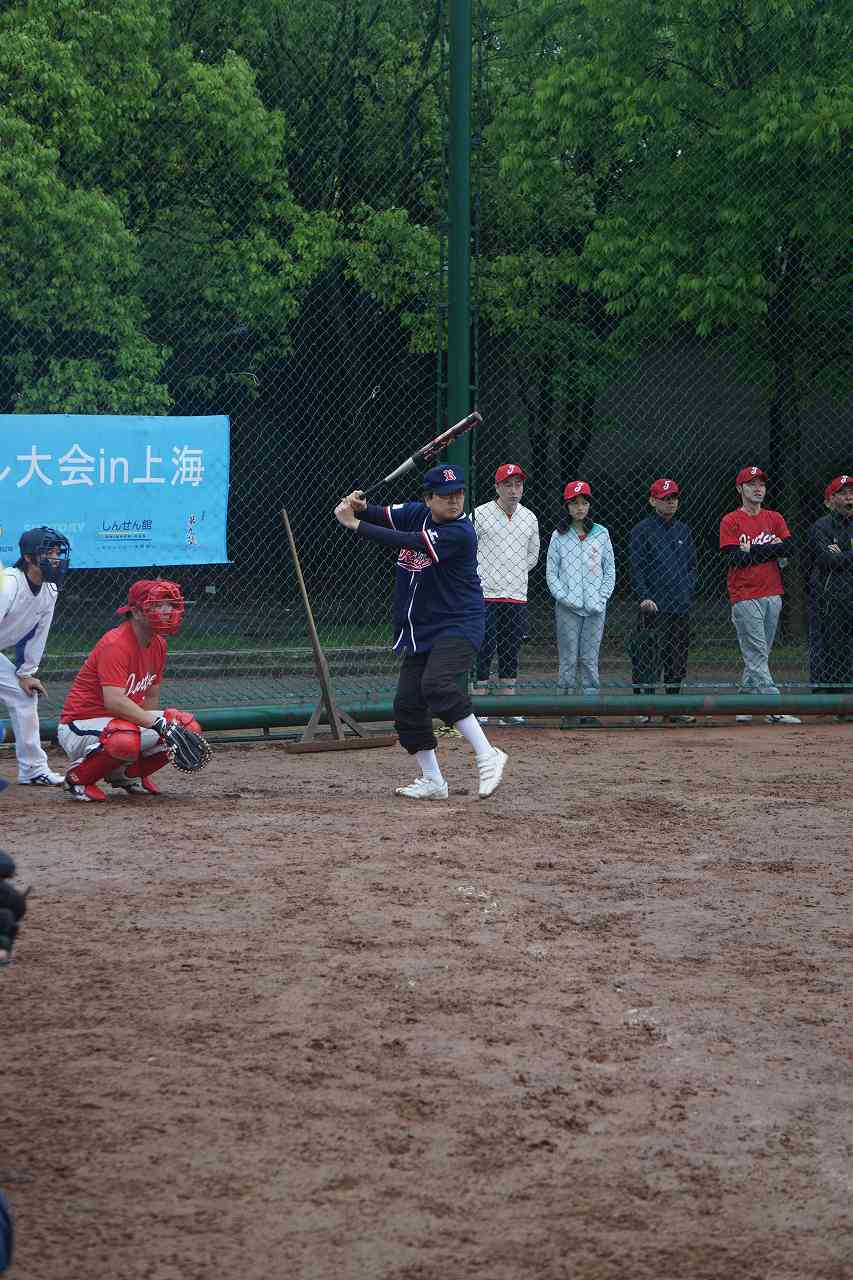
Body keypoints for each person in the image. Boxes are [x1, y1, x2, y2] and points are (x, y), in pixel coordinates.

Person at [334, 464, 508, 799]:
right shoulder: (417, 513)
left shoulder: (461, 531)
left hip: (459, 623)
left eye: (458, 493)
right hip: (423, 628)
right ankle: (433, 781)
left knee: (437, 685)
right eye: (445, 495)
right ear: (428, 499)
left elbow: (408, 541)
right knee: (407, 705)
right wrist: (359, 507)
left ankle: (488, 754)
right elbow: (382, 515)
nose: (454, 500)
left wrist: (355, 524)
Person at [57, 579, 195, 801]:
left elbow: (149, 698)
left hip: (118, 724)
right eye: (159, 605)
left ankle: (128, 774)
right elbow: (114, 702)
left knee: (185, 726)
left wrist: (157, 730)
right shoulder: (116, 643)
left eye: (170, 604)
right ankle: (78, 778)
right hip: (80, 724)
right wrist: (157, 725)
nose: (168, 611)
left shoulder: (159, 643)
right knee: (125, 737)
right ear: (137, 612)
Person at [719, 466, 800, 724]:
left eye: (761, 484)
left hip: (773, 592)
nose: (757, 489)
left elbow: (790, 548)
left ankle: (744, 701)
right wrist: (771, 549)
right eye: (751, 484)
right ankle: (773, 706)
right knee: (756, 652)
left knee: (760, 654)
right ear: (739, 488)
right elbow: (733, 558)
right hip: (744, 595)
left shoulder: (774, 518)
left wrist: (751, 551)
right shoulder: (730, 520)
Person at [0, 527, 70, 786]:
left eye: (58, 552)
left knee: (24, 695)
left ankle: (33, 770)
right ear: (29, 558)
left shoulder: (50, 589)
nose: (56, 558)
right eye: (49, 553)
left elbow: (37, 634)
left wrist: (26, 673)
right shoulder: (8, 584)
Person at [472, 463, 540, 724]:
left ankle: (507, 707)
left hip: (516, 595)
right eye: (508, 485)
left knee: (510, 650)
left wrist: (514, 573)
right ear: (497, 487)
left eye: (518, 485)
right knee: (483, 648)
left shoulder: (529, 517)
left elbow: (532, 555)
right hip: (484, 594)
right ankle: (479, 707)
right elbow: (467, 548)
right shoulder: (480, 514)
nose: (514, 490)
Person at [546, 480, 615, 726]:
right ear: (566, 506)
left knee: (589, 659)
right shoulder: (559, 535)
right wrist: (564, 597)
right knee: (568, 659)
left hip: (595, 607)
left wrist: (601, 597)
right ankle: (565, 709)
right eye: (574, 503)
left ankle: (589, 708)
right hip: (568, 608)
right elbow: (551, 572)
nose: (579, 508)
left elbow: (609, 569)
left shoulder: (601, 533)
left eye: (584, 503)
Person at [629, 478, 698, 725]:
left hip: (679, 606)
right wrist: (644, 596)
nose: (671, 502)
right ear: (652, 501)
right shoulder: (641, 530)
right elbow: (636, 567)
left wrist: (686, 591)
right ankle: (643, 708)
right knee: (647, 659)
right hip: (653, 608)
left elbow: (692, 566)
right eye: (665, 498)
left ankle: (673, 708)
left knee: (677, 659)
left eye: (674, 498)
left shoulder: (683, 530)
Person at [809, 474, 853, 712]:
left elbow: (838, 559)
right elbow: (828, 560)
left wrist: (842, 554)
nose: (849, 498)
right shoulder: (821, 526)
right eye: (843, 493)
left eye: (852, 493)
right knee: (831, 645)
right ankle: (831, 698)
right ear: (831, 500)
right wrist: (843, 557)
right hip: (830, 597)